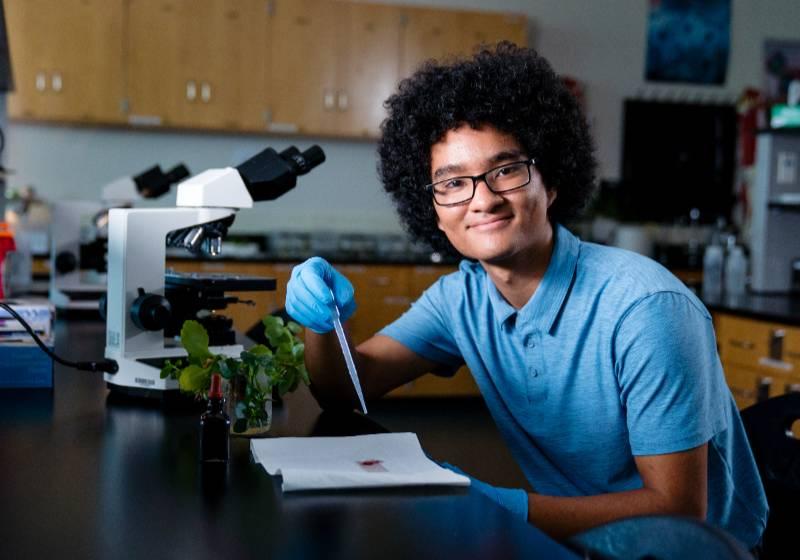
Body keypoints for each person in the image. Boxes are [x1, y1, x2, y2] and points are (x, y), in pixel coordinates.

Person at [285, 42, 768, 548]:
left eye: (506, 170)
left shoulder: (645, 310)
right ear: (432, 209)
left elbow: (676, 513)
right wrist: (322, 323)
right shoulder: (462, 299)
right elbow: (346, 389)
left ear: (551, 181)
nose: (484, 198)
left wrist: (501, 507)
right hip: (573, 545)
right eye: (452, 183)